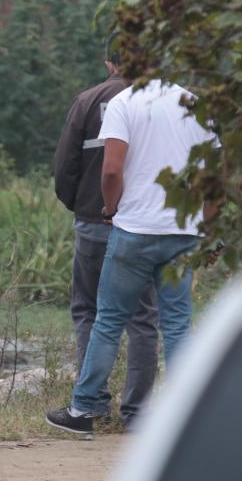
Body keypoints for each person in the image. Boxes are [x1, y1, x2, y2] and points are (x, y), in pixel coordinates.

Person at [46, 76, 218, 439]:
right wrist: (208, 229)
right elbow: (214, 179)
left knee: (108, 320)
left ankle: (84, 408)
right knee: (176, 324)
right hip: (183, 232)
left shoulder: (125, 102)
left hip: (134, 231)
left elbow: (111, 169)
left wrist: (110, 208)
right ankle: (185, 413)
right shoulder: (196, 104)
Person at [52, 52, 159, 426]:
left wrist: (82, 206)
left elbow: (65, 166)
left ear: (108, 61)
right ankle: (139, 412)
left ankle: (92, 403)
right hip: (144, 223)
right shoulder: (158, 102)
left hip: (94, 222)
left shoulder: (88, 100)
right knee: (143, 318)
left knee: (88, 311)